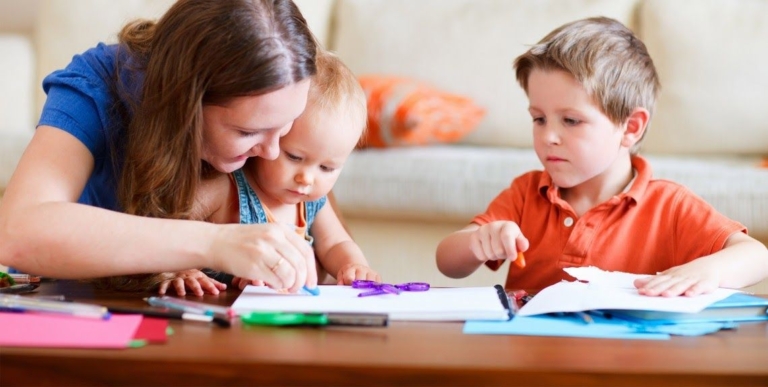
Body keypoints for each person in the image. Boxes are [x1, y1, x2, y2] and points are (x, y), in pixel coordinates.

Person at [0, 0, 324, 295]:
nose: (271, 152)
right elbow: (18, 232)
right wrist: (215, 243)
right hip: (68, 307)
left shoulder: (278, 104)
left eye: (285, 127)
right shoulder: (98, 84)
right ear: (185, 104)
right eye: (247, 131)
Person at [435, 17, 768, 297]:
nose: (548, 136)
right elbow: (447, 262)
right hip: (532, 359)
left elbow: (756, 255)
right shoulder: (525, 194)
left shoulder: (670, 205)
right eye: (539, 119)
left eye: (571, 121)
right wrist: (478, 242)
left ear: (631, 128)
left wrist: (707, 270)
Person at [168, 50, 380, 295]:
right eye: (294, 157)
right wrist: (180, 270)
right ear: (272, 132)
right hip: (219, 314)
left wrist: (354, 265)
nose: (307, 178)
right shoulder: (224, 186)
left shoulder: (312, 203)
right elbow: (173, 229)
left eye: (327, 168)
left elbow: (335, 243)